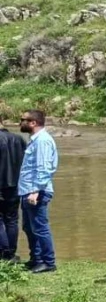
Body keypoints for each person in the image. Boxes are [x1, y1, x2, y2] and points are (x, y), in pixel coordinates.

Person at [18, 110, 57, 273]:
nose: (20, 123)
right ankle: (36, 259)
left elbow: (44, 168)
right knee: (29, 227)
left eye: (23, 120)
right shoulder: (35, 140)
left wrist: (36, 191)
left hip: (36, 191)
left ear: (33, 123)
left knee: (40, 228)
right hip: (28, 190)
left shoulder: (42, 141)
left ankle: (48, 262)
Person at [0, 120, 23, 263]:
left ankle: (4, 252)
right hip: (15, 186)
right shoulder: (19, 139)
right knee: (12, 220)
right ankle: (11, 253)